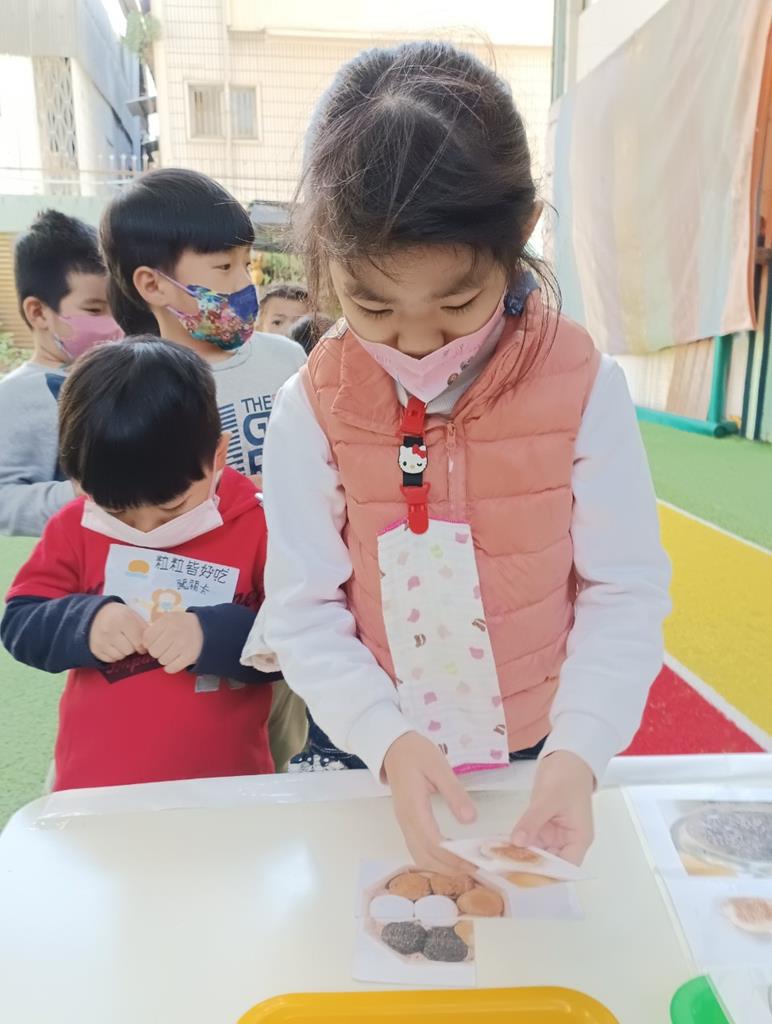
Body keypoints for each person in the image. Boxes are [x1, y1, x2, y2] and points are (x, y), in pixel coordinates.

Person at [242, 42, 671, 869]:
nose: (416, 341)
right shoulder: (315, 404)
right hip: (368, 744)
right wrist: (384, 738)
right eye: (372, 306)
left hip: (538, 742)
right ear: (324, 260)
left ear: (522, 235)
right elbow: (303, 607)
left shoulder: (583, 383)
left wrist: (579, 749)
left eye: (458, 303)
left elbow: (623, 587)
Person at [1, 339, 281, 791]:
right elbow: (20, 621)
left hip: (227, 788)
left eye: (171, 507)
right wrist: (85, 622)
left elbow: (294, 638)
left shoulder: (256, 525)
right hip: (94, 787)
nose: (146, 529)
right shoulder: (77, 525)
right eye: (117, 511)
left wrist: (213, 635)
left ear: (218, 457)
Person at [100, 167, 308, 772]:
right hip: (179, 612)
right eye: (223, 269)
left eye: (247, 265)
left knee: (280, 750)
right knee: (190, 757)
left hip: (277, 608)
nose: (244, 285)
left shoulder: (286, 361)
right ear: (152, 284)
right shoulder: (131, 385)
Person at [0, 210, 122, 536]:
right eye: (94, 310)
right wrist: (82, 494)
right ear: (38, 312)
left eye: (117, 307)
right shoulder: (14, 398)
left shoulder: (120, 374)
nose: (113, 323)